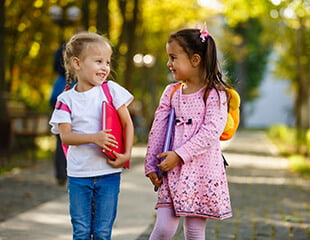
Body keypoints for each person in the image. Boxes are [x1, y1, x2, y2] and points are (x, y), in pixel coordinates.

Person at [144, 23, 232, 240]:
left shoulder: (215, 94)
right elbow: (158, 129)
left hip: (201, 172)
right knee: (164, 228)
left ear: (195, 59)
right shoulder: (171, 92)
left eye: (174, 58)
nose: (169, 63)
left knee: (194, 231)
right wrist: (150, 164)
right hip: (171, 171)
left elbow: (211, 132)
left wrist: (180, 155)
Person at [49, 32, 134, 240]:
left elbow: (127, 123)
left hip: (108, 173)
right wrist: (94, 138)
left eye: (107, 62)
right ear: (77, 63)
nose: (105, 67)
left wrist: (127, 153)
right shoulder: (66, 99)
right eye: (98, 61)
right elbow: (66, 137)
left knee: (103, 232)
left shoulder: (111, 90)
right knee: (81, 231)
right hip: (79, 176)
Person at [49, 42, 68, 186]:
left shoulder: (60, 81)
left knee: (61, 141)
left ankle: (61, 174)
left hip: (59, 110)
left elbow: (52, 99)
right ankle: (63, 173)